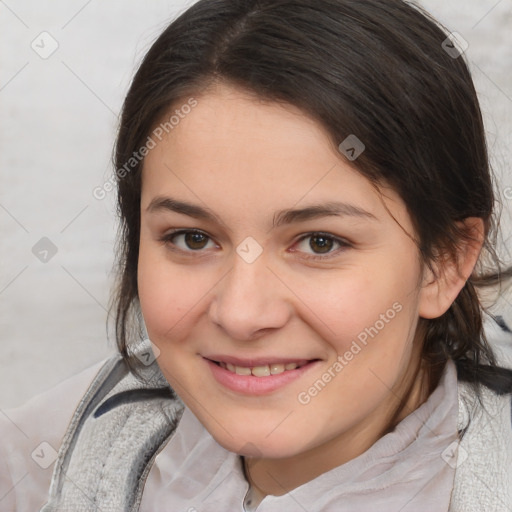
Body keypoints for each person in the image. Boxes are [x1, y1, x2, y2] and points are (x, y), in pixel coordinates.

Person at [1, 0, 512, 510]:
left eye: (319, 243)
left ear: (444, 262)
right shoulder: (45, 460)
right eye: (192, 238)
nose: (242, 314)